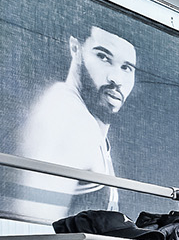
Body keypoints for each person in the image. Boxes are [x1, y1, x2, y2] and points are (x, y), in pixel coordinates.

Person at [10, 22, 138, 216]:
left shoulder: (86, 120)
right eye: (103, 57)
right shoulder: (72, 119)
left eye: (126, 68)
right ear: (76, 48)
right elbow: (30, 224)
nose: (116, 79)